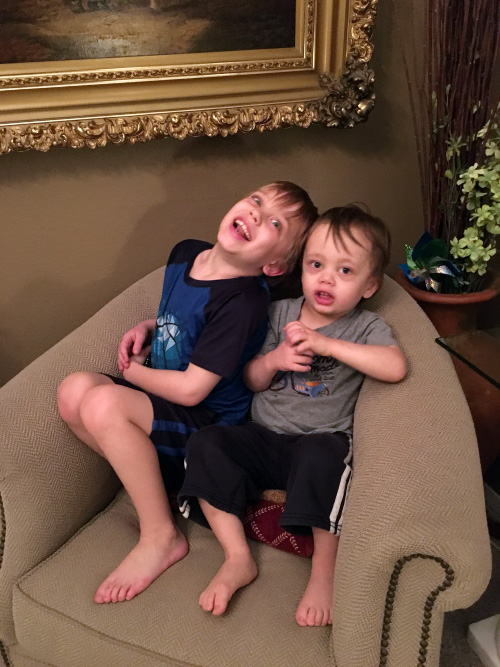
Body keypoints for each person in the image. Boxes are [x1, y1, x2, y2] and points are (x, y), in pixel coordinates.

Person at [57, 181, 318, 604]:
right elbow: (181, 322)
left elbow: (193, 390)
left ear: (273, 266)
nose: (256, 213)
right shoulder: (185, 253)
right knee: (72, 392)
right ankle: (157, 485)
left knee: (102, 402)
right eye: (257, 200)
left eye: (274, 223)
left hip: (205, 427)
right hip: (163, 405)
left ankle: (161, 535)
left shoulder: (244, 301)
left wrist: (135, 373)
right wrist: (149, 328)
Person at [178, 205, 407, 626]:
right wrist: (275, 360)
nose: (326, 279)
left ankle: (323, 573)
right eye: (316, 265)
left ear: (369, 286)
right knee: (206, 442)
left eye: (344, 271)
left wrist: (326, 345)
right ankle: (237, 557)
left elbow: (394, 367)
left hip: (318, 439)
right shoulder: (279, 313)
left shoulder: (365, 327)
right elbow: (251, 379)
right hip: (262, 435)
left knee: (326, 458)